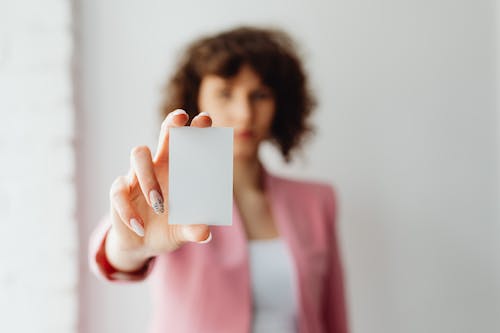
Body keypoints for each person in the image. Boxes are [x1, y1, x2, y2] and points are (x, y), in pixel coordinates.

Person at [89, 25, 349, 333]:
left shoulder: (317, 201)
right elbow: (112, 254)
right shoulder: (171, 192)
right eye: (225, 93)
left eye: (260, 95)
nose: (244, 113)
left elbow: (334, 316)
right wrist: (130, 247)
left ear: (281, 104)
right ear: (195, 99)